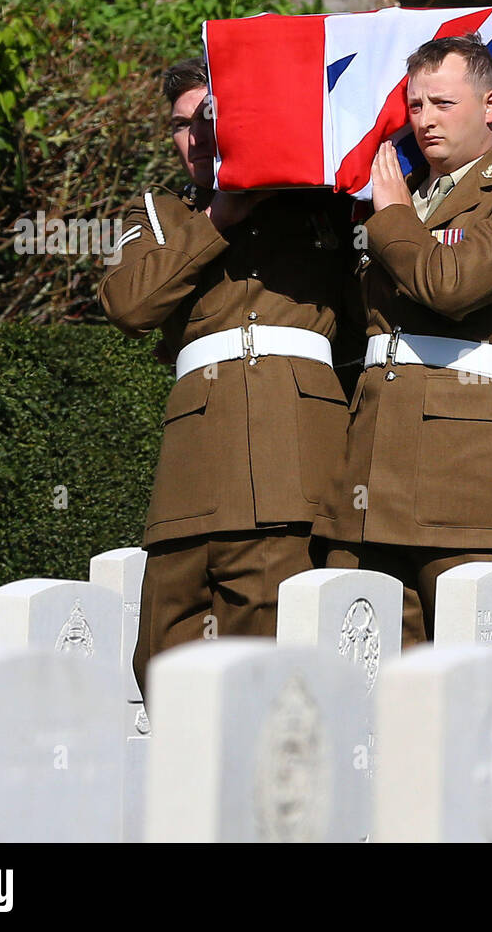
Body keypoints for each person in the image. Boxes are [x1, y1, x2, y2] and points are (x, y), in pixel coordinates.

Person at [100, 57, 355, 697]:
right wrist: (218, 218)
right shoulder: (160, 214)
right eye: (180, 126)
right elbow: (130, 304)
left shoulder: (320, 204)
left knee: (268, 649)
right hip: (193, 465)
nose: (195, 137)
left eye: (208, 119)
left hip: (292, 453)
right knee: (164, 650)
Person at [314, 34, 492, 644]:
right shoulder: (400, 198)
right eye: (417, 105)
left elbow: (450, 286)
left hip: (471, 469)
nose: (425, 120)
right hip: (377, 459)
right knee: (367, 668)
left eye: (443, 103)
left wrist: (394, 218)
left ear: (490, 105)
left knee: (476, 672)